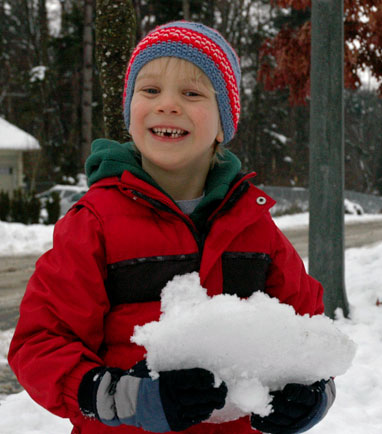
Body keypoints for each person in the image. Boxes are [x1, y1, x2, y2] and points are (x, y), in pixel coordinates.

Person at [8, 21, 336, 434]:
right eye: (150, 90)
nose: (167, 104)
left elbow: (309, 330)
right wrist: (128, 397)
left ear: (222, 126)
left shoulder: (256, 227)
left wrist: (312, 392)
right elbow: (41, 343)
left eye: (192, 93)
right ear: (130, 115)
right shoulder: (94, 223)